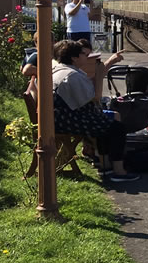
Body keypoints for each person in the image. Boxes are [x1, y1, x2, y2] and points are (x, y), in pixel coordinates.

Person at [51, 39, 138, 183]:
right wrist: (99, 75)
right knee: (116, 128)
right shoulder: (72, 75)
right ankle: (119, 171)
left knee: (105, 123)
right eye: (83, 54)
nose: (87, 57)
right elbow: (95, 98)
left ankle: (106, 165)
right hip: (68, 120)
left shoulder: (62, 69)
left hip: (61, 116)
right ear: (74, 57)